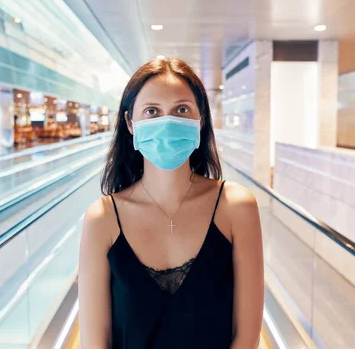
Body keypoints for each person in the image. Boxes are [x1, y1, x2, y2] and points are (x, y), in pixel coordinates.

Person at [79, 57, 264, 348]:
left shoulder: (236, 207)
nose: (167, 122)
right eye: (152, 111)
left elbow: (246, 335)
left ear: (200, 119)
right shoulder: (102, 219)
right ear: (130, 122)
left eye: (181, 109)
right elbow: (94, 342)